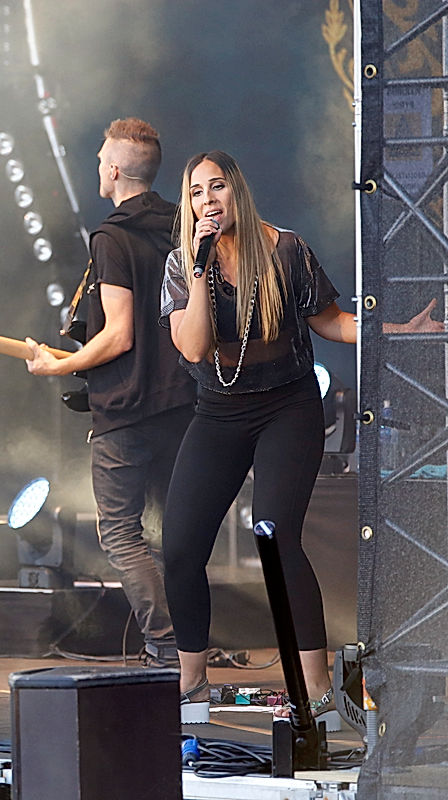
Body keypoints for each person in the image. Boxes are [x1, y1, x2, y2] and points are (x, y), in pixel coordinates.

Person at [159, 150, 441, 726]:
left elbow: (332, 320)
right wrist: (198, 267)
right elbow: (191, 348)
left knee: (274, 535)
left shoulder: (286, 249)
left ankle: (315, 692)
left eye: (217, 187)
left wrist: (395, 332)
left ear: (237, 191)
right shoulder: (182, 263)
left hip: (288, 406)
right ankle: (191, 685)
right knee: (181, 546)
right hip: (218, 413)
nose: (207, 200)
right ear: (188, 204)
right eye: (195, 192)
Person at [24, 118, 193, 668]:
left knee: (121, 532)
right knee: (178, 533)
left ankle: (164, 645)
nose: (98, 165)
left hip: (127, 410)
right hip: (183, 404)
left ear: (116, 170)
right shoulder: (182, 227)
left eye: (101, 159)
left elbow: (119, 334)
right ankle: (189, 650)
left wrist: (61, 365)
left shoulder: (111, 236)